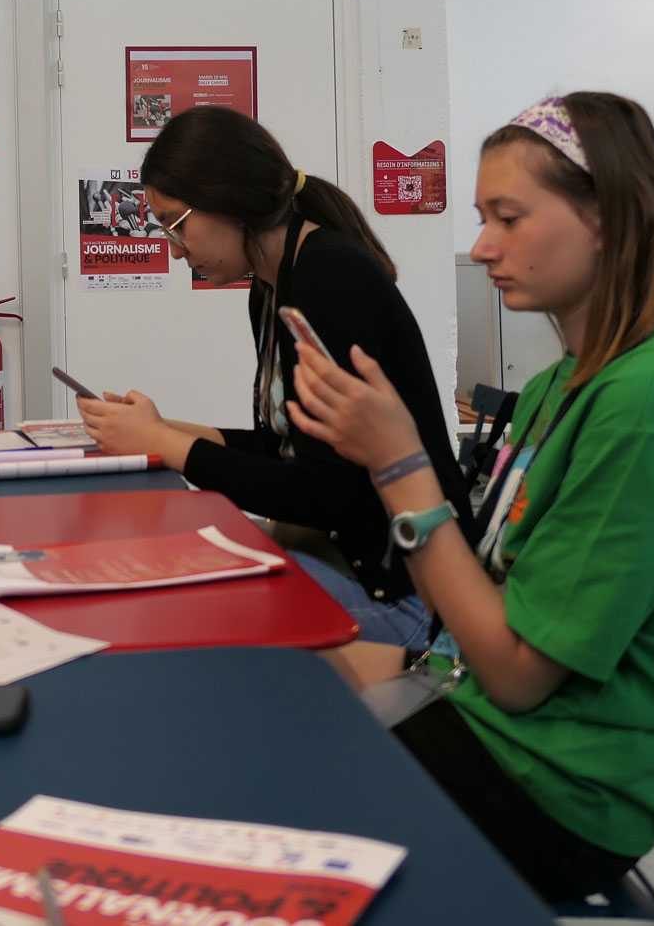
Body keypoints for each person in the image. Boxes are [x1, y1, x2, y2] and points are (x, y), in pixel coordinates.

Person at [289, 92, 654, 901]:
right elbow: (493, 593)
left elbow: (518, 674)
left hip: (554, 791)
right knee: (269, 692)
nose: (482, 247)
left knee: (248, 802)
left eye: (508, 218)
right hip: (480, 711)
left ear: (607, 219)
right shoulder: (564, 384)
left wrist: (400, 466)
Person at [76, 106, 471, 646]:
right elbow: (284, 448)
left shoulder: (331, 277)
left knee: (167, 610)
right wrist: (164, 430)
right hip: (339, 556)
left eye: (175, 222)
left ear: (228, 201)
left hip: (402, 591)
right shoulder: (271, 286)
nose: (173, 247)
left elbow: (317, 495)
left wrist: (167, 444)